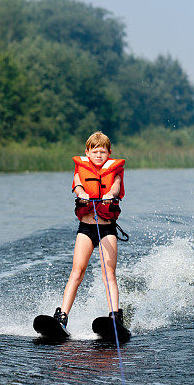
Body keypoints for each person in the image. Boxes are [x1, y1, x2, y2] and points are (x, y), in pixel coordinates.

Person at [53, 131, 126, 329]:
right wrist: (83, 193)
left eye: (103, 152)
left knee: (108, 274)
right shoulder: (80, 170)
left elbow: (116, 188)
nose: (99, 155)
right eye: (95, 152)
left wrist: (109, 195)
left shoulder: (115, 172)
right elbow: (77, 185)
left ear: (109, 153)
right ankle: (62, 317)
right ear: (87, 152)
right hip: (86, 228)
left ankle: (115, 317)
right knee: (77, 272)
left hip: (107, 230)